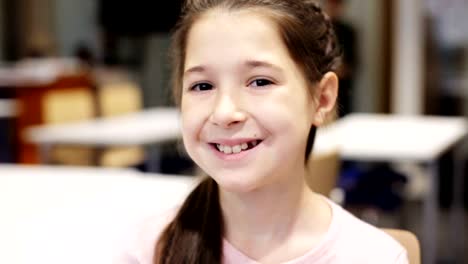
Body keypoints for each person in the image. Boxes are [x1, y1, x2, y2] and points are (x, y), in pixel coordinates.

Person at [118, 0, 408, 263]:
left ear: (322, 99)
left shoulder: (373, 256)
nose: (224, 113)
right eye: (202, 86)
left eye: (259, 82)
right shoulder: (148, 250)